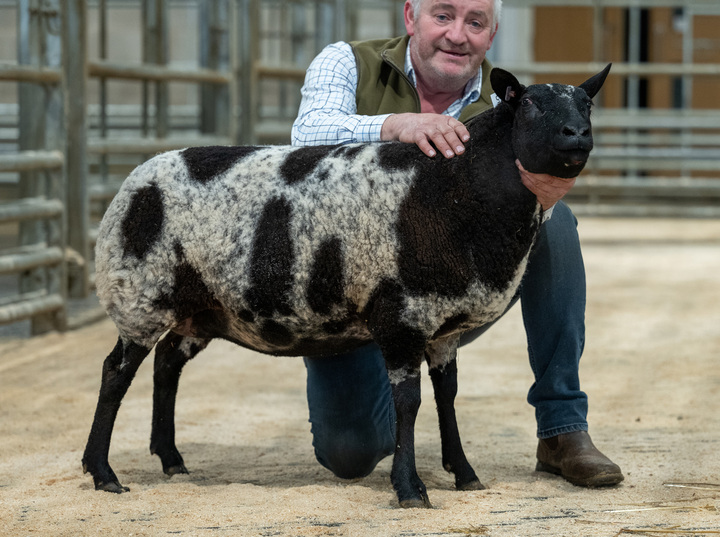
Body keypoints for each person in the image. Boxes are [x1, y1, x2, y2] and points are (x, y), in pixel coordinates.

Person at [291, 0, 623, 488]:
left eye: (476, 22)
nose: (458, 34)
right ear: (410, 17)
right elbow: (304, 137)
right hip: (348, 303)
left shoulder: (511, 107)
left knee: (553, 223)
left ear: (492, 36)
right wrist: (395, 125)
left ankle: (562, 429)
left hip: (442, 294)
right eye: (442, 16)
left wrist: (543, 197)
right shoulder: (346, 61)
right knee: (352, 453)